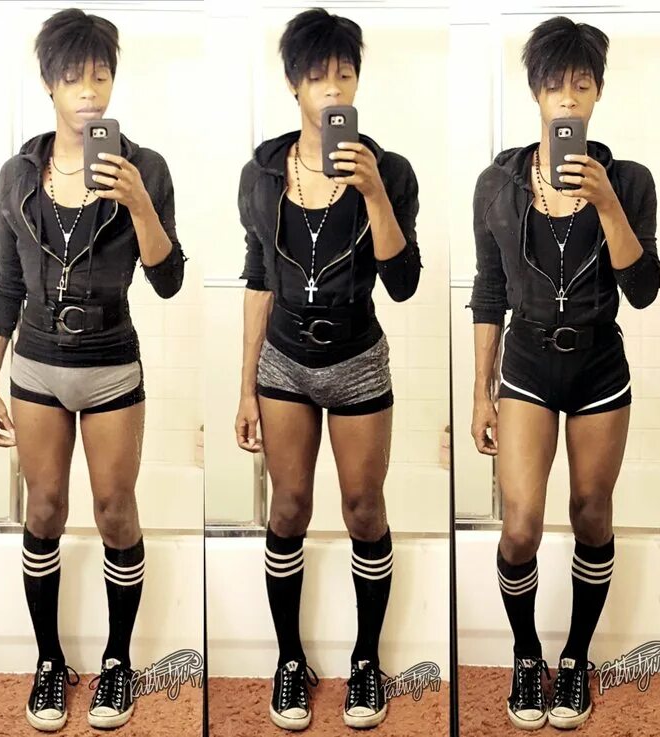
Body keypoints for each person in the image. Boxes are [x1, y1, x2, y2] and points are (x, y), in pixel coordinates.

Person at [0, 8, 185, 732]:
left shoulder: (145, 168)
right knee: (42, 509)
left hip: (110, 366)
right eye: (73, 78)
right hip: (35, 364)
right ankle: (48, 660)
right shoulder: (18, 175)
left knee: (115, 510)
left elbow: (168, 281)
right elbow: (6, 282)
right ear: (49, 85)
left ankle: (118, 660)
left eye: (100, 76)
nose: (89, 91)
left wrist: (140, 205)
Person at [469, 16, 660, 731]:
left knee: (590, 511)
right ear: (536, 93)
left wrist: (607, 202)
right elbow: (490, 290)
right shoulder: (498, 183)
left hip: (600, 365)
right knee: (520, 523)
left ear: (599, 92)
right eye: (556, 85)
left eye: (582, 85)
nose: (569, 98)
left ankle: (576, 655)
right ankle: (527, 653)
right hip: (525, 363)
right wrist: (480, 391)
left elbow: (643, 288)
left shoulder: (629, 181)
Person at [232, 7, 420, 731]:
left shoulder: (389, 171)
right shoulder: (262, 173)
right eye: (318, 77)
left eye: (345, 75)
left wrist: (373, 193)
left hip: (357, 359)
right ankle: (290, 658)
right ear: (294, 85)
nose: (334, 89)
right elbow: (258, 280)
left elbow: (402, 281)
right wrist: (245, 386)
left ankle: (367, 659)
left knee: (364, 508)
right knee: (287, 507)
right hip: (283, 360)